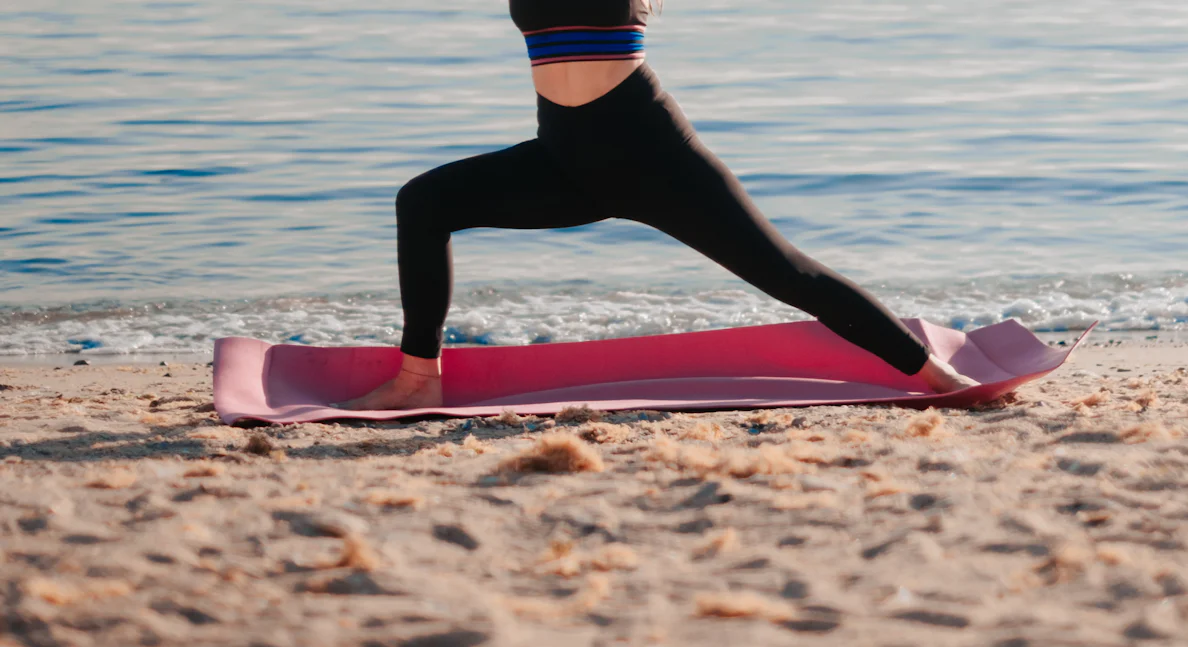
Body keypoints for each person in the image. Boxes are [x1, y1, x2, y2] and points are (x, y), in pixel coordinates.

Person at [336, 0, 979, 410]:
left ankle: (932, 375)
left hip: (656, 158)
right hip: (563, 159)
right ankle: (420, 377)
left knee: (787, 273)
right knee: (424, 201)